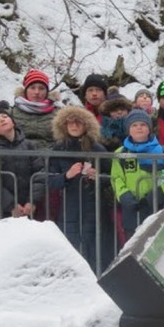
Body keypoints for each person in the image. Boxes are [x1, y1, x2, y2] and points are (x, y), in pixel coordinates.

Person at [112, 109, 164, 243]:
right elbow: (116, 178)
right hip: (132, 209)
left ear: (149, 128)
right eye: (134, 125)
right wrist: (124, 195)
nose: (139, 128)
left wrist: (158, 194)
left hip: (157, 207)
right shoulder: (121, 153)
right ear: (128, 129)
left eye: (143, 125)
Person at [48, 106, 107, 264]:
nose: (74, 126)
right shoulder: (58, 149)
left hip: (94, 206)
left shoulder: (98, 149)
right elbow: (48, 179)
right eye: (70, 123)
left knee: (94, 248)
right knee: (70, 249)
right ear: (64, 126)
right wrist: (66, 175)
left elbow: (111, 178)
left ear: (86, 125)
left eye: (78, 122)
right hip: (68, 207)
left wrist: (98, 177)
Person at [0, 104, 46, 218]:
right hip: (1, 210)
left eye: (5, 117)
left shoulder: (28, 145)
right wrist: (11, 205)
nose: (2, 120)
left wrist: (32, 200)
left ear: (13, 121)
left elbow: (39, 174)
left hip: (29, 208)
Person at [10, 69, 60, 150]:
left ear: (47, 92)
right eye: (32, 88)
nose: (37, 92)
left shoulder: (59, 114)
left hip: (50, 158)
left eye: (41, 88)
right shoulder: (11, 113)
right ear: (26, 90)